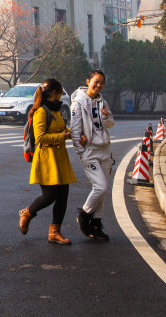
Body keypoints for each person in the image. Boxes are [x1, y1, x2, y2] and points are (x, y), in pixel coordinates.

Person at [18, 79, 76, 244]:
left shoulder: (56, 110)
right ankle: (28, 213)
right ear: (55, 92)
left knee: (63, 197)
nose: (62, 95)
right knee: (49, 196)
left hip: (60, 157)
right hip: (46, 158)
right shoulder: (41, 112)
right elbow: (41, 138)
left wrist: (69, 133)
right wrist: (62, 136)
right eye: (61, 91)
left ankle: (54, 233)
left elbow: (61, 129)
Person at [70, 69, 115, 241]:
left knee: (103, 191)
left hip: (105, 150)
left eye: (102, 82)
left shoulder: (102, 102)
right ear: (88, 81)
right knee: (100, 187)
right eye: (96, 81)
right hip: (90, 151)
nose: (98, 85)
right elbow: (75, 131)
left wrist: (106, 116)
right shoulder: (78, 103)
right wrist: (82, 152)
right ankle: (84, 214)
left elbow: (110, 124)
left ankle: (96, 224)